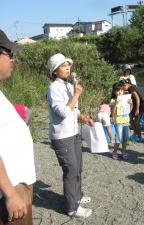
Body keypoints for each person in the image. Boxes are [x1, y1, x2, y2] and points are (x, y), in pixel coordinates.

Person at [46, 53, 93, 218]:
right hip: (61, 137)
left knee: (78, 167)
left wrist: (83, 118)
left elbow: (73, 109)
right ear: (55, 71)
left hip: (73, 133)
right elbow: (63, 112)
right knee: (71, 170)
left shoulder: (67, 85)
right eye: (63, 66)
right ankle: (72, 208)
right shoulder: (53, 88)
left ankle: (77, 197)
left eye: (68, 65)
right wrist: (77, 94)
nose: (68, 68)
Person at [0, 29, 36, 224]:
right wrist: (10, 194)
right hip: (8, 193)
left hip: (15, 187)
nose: (12, 60)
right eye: (9, 53)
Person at [110, 82, 130, 160]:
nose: (120, 92)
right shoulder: (113, 100)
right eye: (118, 90)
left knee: (125, 138)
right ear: (114, 91)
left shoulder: (126, 99)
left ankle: (123, 152)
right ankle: (115, 152)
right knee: (118, 138)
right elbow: (112, 113)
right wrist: (115, 103)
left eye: (121, 90)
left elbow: (129, 110)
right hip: (118, 121)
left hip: (126, 121)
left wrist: (130, 104)